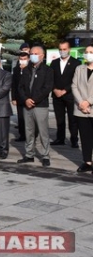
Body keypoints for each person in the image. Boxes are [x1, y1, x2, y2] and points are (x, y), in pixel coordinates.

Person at [17, 45, 53, 167]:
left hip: (40, 105)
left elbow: (47, 88)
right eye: (31, 53)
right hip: (27, 105)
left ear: (42, 56)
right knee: (29, 131)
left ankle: (45, 155)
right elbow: (20, 87)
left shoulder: (47, 70)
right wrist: (26, 99)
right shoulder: (26, 69)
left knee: (43, 132)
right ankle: (29, 154)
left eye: (36, 53)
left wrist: (34, 100)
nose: (33, 55)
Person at [50, 40, 79, 148]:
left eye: (64, 49)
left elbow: (76, 80)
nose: (62, 51)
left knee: (73, 120)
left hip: (70, 95)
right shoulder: (54, 62)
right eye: (60, 49)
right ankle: (60, 138)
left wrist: (65, 90)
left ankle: (74, 139)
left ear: (69, 49)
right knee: (59, 119)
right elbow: (50, 78)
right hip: (56, 95)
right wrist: (54, 89)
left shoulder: (76, 63)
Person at [71, 45, 93, 173]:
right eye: (87, 52)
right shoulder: (79, 68)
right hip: (81, 109)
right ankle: (87, 162)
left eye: (91, 52)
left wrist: (88, 102)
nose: (88, 54)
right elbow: (74, 86)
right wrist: (81, 103)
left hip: (90, 106)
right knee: (85, 136)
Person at [11, 51, 30, 142]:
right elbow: (14, 84)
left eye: (25, 59)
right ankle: (22, 135)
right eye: (21, 59)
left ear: (28, 59)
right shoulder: (16, 69)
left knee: (29, 117)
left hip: (29, 97)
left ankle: (31, 135)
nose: (22, 61)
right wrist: (13, 98)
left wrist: (25, 69)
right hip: (19, 97)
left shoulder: (31, 69)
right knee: (21, 117)